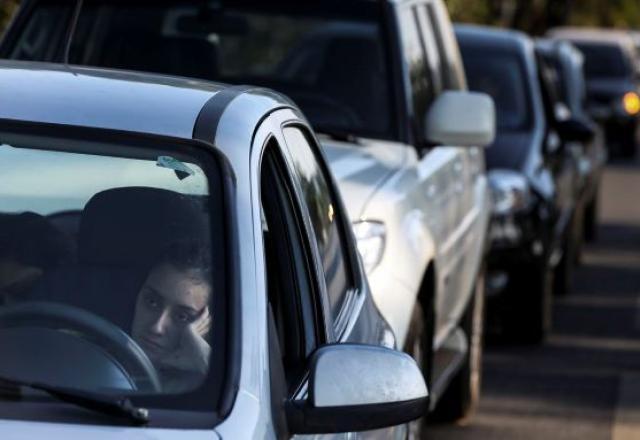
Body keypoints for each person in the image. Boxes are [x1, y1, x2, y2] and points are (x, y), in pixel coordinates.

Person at [131, 242, 212, 393]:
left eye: (182, 316)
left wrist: (204, 357)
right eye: (152, 302)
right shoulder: (92, 351)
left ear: (205, 324)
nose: (157, 327)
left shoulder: (205, 390)